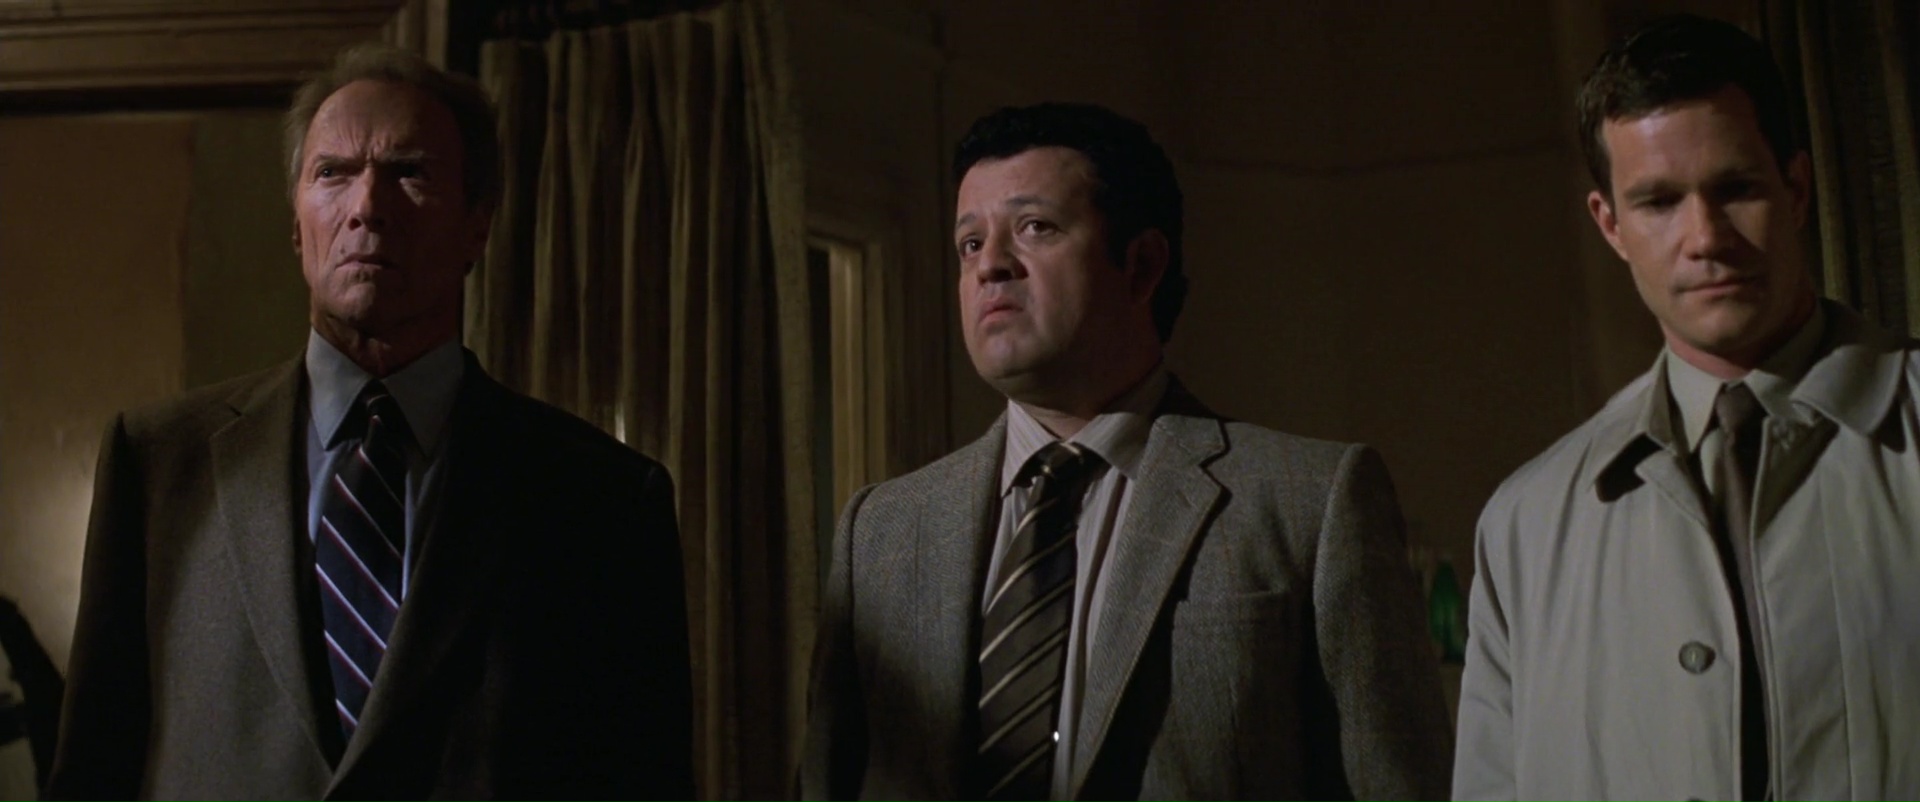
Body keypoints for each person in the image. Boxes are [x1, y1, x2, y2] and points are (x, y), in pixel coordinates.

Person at [46, 44, 694, 800]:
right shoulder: (159, 463)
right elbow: (93, 771)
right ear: (296, 227)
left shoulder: (602, 498)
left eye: (409, 172)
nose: (367, 207)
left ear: (477, 225)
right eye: (333, 173)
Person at [800, 101, 1452, 802]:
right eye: (969, 243)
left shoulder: (1309, 502)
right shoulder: (882, 530)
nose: (990, 265)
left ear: (1141, 266)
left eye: (1035, 228)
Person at [1455, 14, 1920, 802]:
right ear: (1610, 225)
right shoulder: (1526, 525)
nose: (1705, 237)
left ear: (1796, 188)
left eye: (1735, 188)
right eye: (1659, 202)